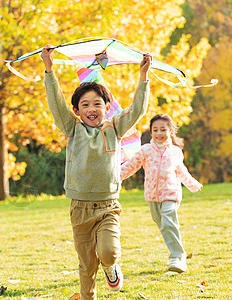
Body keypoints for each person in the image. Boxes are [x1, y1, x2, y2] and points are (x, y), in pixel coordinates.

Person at [41, 44, 151, 300]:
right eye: (85, 105)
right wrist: (49, 69)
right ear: (77, 111)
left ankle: (111, 267)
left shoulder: (115, 127)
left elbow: (137, 110)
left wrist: (143, 78)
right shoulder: (72, 128)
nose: (92, 109)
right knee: (87, 264)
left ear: (107, 107)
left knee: (108, 252)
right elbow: (56, 104)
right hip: (79, 207)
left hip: (108, 205)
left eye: (97, 104)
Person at [120, 114, 203, 273]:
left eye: (163, 129)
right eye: (155, 130)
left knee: (168, 221)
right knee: (163, 225)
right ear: (151, 132)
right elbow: (131, 166)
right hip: (152, 195)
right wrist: (115, 176)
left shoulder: (175, 152)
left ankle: (177, 257)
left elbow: (182, 171)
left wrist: (193, 184)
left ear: (171, 131)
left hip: (170, 193)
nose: (159, 133)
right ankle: (178, 253)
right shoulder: (145, 150)